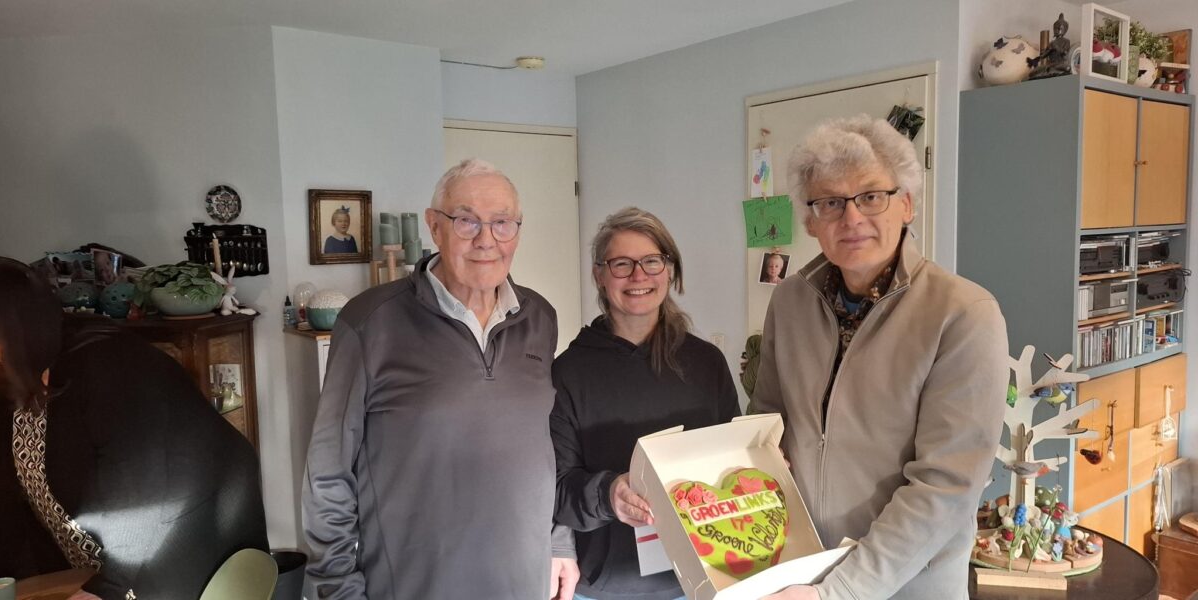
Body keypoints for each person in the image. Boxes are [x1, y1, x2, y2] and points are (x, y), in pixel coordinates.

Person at [751, 116, 1008, 600]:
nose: (851, 218)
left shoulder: (964, 314)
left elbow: (945, 485)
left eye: (871, 196)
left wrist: (840, 591)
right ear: (810, 221)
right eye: (830, 202)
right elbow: (766, 419)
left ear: (906, 204)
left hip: (906, 583)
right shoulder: (788, 301)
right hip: (798, 572)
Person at [303, 158, 578, 599]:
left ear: (518, 230)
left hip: (522, 580)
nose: (487, 240)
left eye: (503, 223)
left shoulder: (539, 317)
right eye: (467, 221)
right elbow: (328, 473)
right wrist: (335, 588)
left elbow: (544, 444)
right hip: (415, 584)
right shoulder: (370, 322)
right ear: (435, 227)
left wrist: (559, 538)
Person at [0, 256, 268, 600]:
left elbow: (142, 494)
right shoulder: (15, 382)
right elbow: (15, 499)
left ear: (17, 327)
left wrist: (106, 589)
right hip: (106, 564)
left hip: (186, 546)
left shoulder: (110, 366)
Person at [552, 208, 740, 600]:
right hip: (609, 586)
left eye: (652, 261)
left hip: (703, 578)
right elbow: (556, 489)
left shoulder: (707, 364)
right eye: (622, 264)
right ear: (600, 275)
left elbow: (731, 464)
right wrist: (609, 495)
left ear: (669, 270)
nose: (639, 276)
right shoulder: (568, 373)